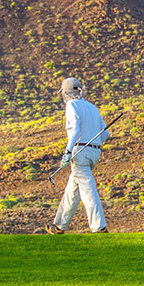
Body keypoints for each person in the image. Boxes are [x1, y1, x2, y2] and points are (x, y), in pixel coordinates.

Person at [49, 77, 109, 234]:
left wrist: (68, 152)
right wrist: (93, 143)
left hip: (80, 151)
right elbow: (106, 133)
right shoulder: (92, 107)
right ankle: (59, 225)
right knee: (73, 189)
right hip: (94, 151)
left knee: (87, 188)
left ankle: (99, 227)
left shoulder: (72, 105)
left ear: (66, 93)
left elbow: (75, 129)